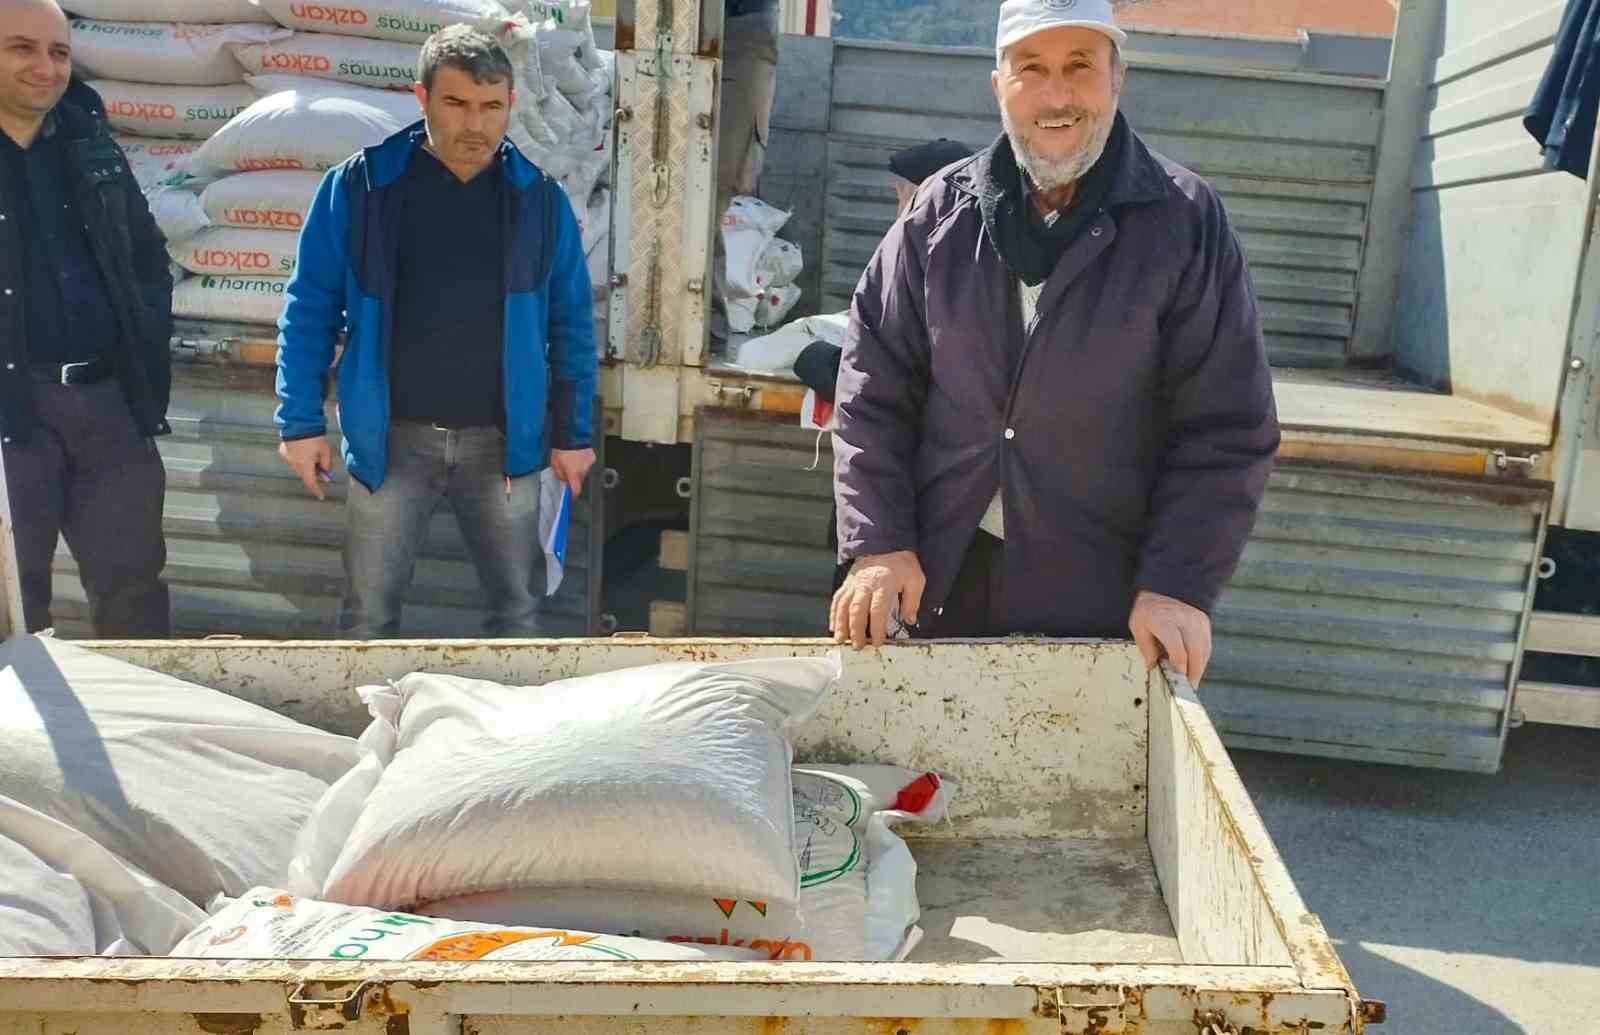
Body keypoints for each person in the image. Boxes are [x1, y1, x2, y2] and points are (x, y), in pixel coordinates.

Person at [828, 0, 1280, 686]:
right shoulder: (938, 215)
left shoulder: (1185, 225)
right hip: (936, 585)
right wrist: (880, 542)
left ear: (1117, 78)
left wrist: (1177, 583)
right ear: (998, 85)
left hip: (1095, 606)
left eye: (1080, 66)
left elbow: (1224, 429)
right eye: (1032, 68)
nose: (1057, 94)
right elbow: (874, 387)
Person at [275, 25, 598, 639]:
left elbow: (572, 324)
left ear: (510, 105)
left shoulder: (538, 200)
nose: (475, 124)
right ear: (421, 99)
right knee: (367, 615)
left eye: (491, 107)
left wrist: (573, 433)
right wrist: (300, 422)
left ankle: (511, 736)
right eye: (456, 104)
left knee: (519, 615)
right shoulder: (364, 188)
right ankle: (366, 733)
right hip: (391, 443)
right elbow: (310, 305)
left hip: (505, 449)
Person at [0, 0, 173, 637]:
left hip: (107, 405)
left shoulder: (86, 139)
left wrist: (144, 343)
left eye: (59, 52)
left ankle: (145, 729)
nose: (45, 68)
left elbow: (147, 252)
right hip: (12, 415)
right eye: (22, 48)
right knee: (13, 603)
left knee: (134, 592)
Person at [710, 0, 779, 349]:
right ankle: (708, 327)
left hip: (739, 30)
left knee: (707, 200)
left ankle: (709, 330)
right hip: (707, 29)